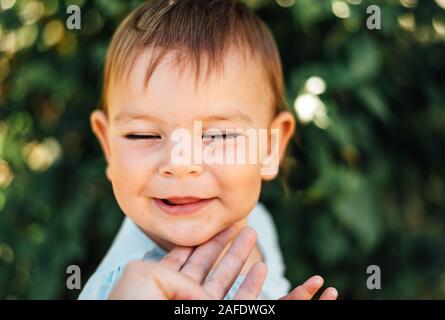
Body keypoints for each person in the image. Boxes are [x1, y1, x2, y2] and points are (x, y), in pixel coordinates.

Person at [80, 0, 338, 300]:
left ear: (269, 146)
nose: (180, 163)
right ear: (108, 145)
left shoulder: (254, 220)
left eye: (219, 135)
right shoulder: (121, 292)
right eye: (143, 135)